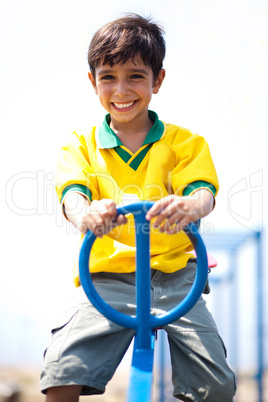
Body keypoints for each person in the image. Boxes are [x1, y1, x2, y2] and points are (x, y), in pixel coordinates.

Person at [40, 13, 236, 402]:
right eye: (108, 76)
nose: (121, 89)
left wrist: (190, 205)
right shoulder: (80, 144)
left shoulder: (185, 143)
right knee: (61, 372)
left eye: (135, 75)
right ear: (93, 81)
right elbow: (72, 195)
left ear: (156, 80)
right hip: (108, 276)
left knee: (215, 385)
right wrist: (84, 213)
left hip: (177, 276)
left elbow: (203, 192)